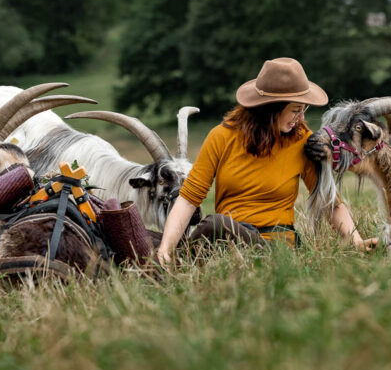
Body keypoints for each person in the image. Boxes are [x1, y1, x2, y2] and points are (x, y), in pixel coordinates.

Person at [157, 57, 378, 266]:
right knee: (155, 241)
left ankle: (182, 260)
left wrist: (356, 241)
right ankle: (172, 261)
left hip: (276, 246)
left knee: (215, 225)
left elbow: (329, 200)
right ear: (270, 109)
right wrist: (165, 249)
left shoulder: (302, 139)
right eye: (295, 110)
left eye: (304, 110)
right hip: (227, 239)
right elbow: (188, 198)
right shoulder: (221, 136)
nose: (300, 118)